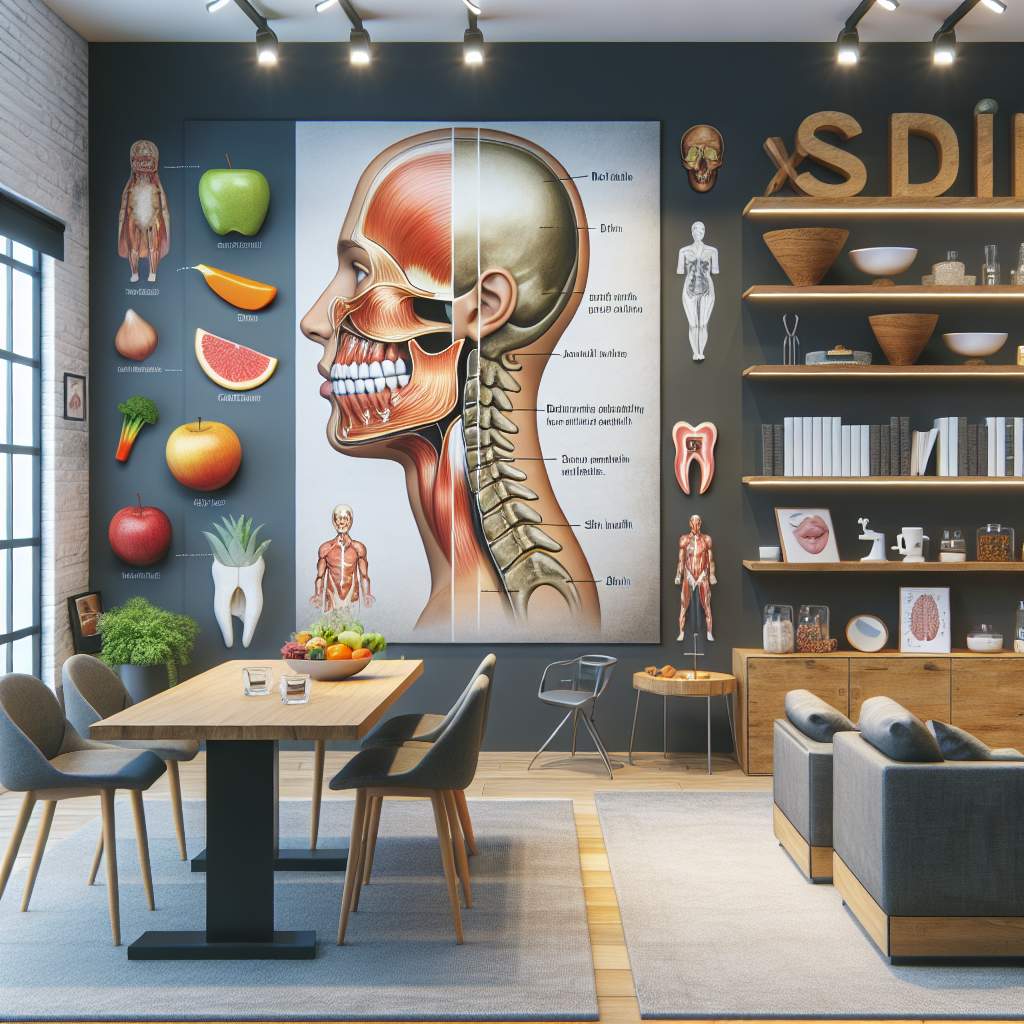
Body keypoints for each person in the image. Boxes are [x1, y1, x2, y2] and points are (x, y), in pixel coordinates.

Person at [300, 128, 600, 638]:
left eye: (361, 272)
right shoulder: (472, 602)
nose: (315, 320)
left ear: (483, 309)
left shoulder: (481, 614)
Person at [311, 504, 374, 613]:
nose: (341, 522)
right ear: (334, 521)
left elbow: (364, 575)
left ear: (350, 521)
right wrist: (318, 595)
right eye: (338, 518)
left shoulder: (358, 548)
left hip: (352, 600)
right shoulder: (326, 548)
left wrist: (366, 594)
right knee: (331, 628)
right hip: (331, 600)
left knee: (352, 629)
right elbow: (320, 576)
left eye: (345, 518)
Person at [676, 221, 719, 361]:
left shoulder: (712, 251)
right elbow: (681, 270)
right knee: (693, 324)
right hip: (689, 289)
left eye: (701, 230)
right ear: (691, 231)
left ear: (704, 232)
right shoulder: (683, 251)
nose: (698, 233)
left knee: (703, 324)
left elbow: (714, 271)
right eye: (696, 230)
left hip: (707, 290)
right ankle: (696, 352)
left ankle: (701, 351)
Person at [675, 514, 716, 641]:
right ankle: (681, 632)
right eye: (693, 521)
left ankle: (709, 632)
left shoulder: (706, 539)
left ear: (700, 523)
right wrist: (678, 575)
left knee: (707, 604)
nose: (695, 524)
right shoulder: (684, 539)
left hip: (702, 575)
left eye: (697, 521)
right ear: (689, 523)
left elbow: (711, 560)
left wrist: (712, 575)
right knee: (684, 604)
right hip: (689, 574)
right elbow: (681, 559)